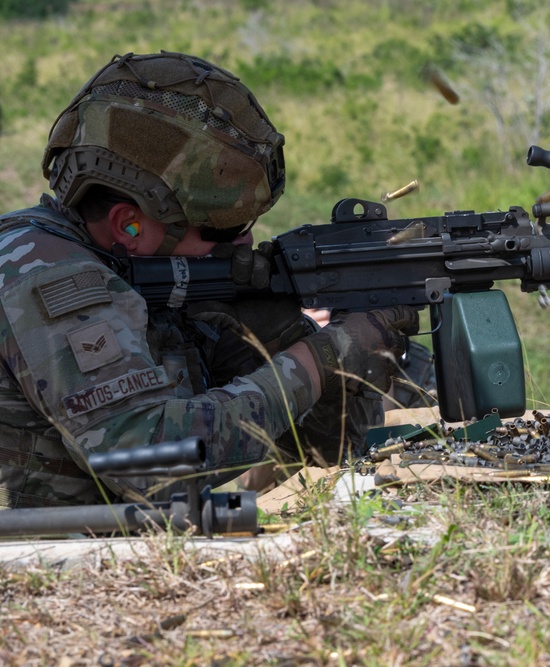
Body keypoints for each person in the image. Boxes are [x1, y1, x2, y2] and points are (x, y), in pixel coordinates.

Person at [0, 51, 418, 508]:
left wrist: (293, 344)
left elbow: (323, 450)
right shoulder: (44, 273)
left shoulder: (162, 282)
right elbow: (152, 468)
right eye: (220, 229)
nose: (244, 242)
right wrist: (319, 358)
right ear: (129, 226)